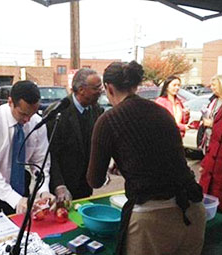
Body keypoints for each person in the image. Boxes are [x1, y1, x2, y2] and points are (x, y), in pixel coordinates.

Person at [87, 61, 206, 255]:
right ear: (135, 86)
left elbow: (95, 180)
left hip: (153, 218)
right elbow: (169, 158)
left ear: (108, 88)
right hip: (193, 209)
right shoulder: (162, 113)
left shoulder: (108, 120)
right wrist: (130, 166)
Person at [0, 80, 54, 218]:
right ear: (10, 102)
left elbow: (41, 161)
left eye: (31, 114)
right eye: (23, 114)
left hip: (17, 182)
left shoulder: (37, 123)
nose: (27, 120)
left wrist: (43, 190)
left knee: (20, 227)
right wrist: (15, 200)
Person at [46, 68, 103, 202]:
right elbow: (50, 154)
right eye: (96, 88)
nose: (101, 91)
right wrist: (59, 185)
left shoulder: (97, 110)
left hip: (85, 186)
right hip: (62, 189)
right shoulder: (57, 113)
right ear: (82, 90)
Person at [199, 75, 222, 211]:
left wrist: (212, 124)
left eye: (214, 85)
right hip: (211, 149)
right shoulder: (213, 101)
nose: (212, 88)